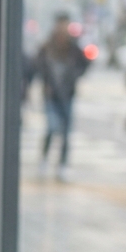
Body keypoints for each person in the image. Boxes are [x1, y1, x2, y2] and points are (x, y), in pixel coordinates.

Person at [28, 13, 89, 181]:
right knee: (52, 128)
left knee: (66, 132)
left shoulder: (73, 47)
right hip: (51, 94)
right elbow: (37, 65)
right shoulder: (48, 46)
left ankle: (62, 165)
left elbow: (84, 63)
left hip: (67, 94)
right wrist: (42, 83)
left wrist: (74, 77)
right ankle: (44, 160)